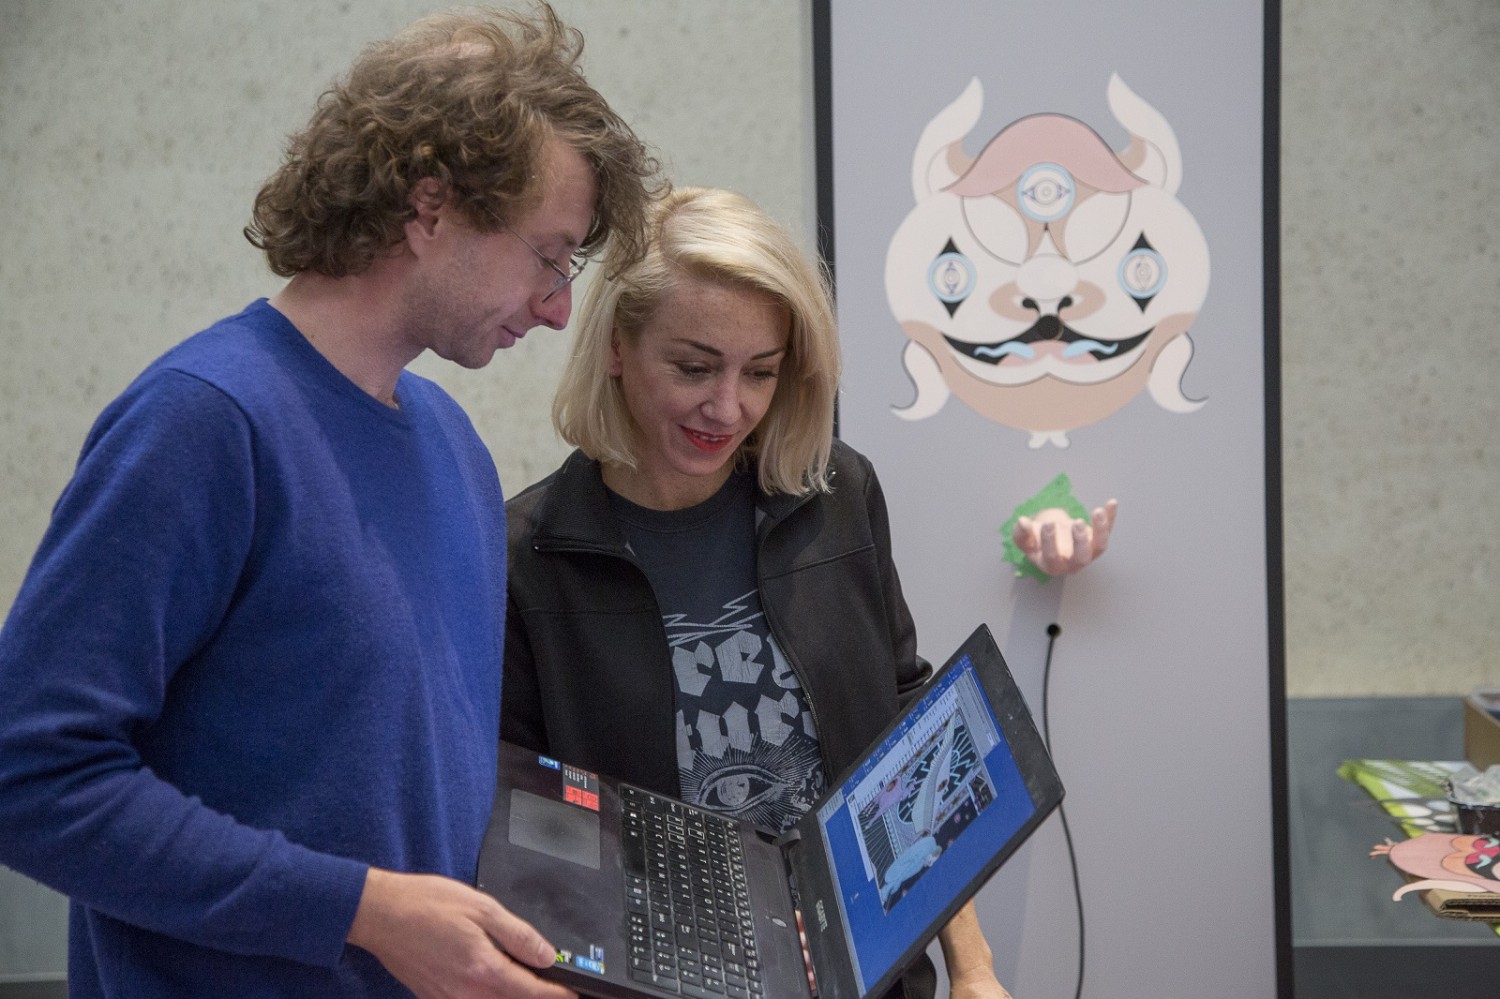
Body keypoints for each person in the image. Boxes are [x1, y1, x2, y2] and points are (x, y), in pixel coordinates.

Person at [0, 5, 657, 996]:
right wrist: (365, 912)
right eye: (547, 256)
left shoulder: (454, 448)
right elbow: (29, 777)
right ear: (430, 209)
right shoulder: (205, 423)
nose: (560, 306)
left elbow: (401, 783)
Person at [502, 186, 1014, 999]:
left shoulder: (836, 494)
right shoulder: (528, 557)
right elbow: (523, 840)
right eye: (694, 367)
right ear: (616, 347)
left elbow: (909, 738)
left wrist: (974, 967)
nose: (728, 406)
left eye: (761, 372)